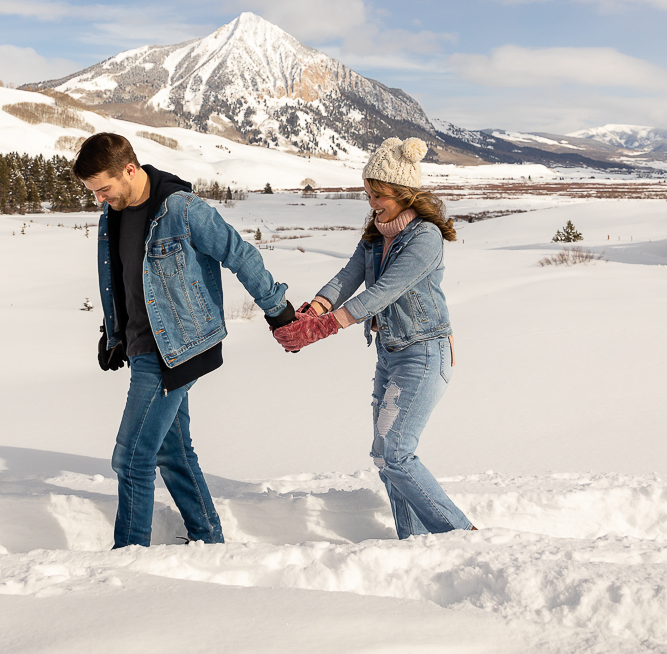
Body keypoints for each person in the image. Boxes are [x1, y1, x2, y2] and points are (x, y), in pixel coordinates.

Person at [75, 132, 295, 548]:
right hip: (144, 346)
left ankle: (129, 556)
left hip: (175, 348)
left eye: (103, 189)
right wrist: (113, 333)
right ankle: (208, 540)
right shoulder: (114, 215)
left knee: (131, 458)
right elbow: (122, 280)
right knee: (172, 453)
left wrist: (276, 307)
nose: (101, 199)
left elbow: (239, 253)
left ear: (129, 169)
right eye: (94, 192)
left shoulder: (182, 209)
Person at [273, 137, 474, 539]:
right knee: (385, 458)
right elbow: (349, 275)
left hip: (423, 352)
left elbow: (384, 292)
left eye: (379, 195)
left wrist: (328, 326)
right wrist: (315, 308)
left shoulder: (425, 238)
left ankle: (461, 537)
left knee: (398, 454)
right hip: (389, 353)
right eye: (368, 194)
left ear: (403, 193)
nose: (372, 203)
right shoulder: (376, 232)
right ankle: (413, 541)